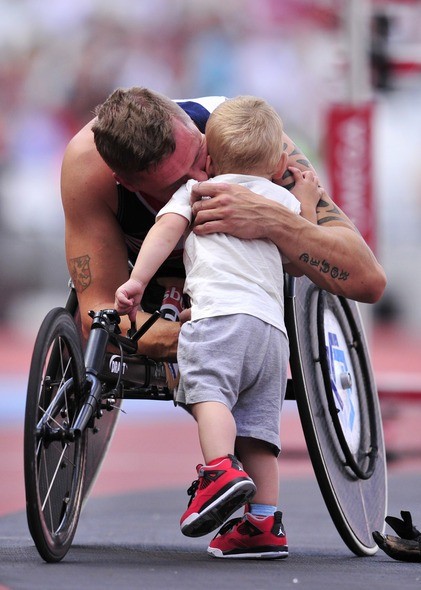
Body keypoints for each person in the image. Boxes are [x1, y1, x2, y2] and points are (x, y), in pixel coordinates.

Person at [114, 95, 323, 559]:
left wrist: (137, 281)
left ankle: (219, 470)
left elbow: (165, 231)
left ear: (208, 156)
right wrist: (306, 203)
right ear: (279, 164)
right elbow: (297, 261)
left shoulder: (199, 190)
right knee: (258, 433)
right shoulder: (282, 200)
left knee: (209, 395)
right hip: (271, 333)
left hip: (219, 318)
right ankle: (263, 524)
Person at [61, 87, 386, 361]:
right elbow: (98, 315)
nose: (202, 181)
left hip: (245, 282)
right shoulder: (88, 168)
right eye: (176, 183)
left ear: (191, 124)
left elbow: (367, 280)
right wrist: (214, 334)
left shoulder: (240, 133)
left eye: (200, 156)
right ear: (128, 183)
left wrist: (272, 219)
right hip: (154, 290)